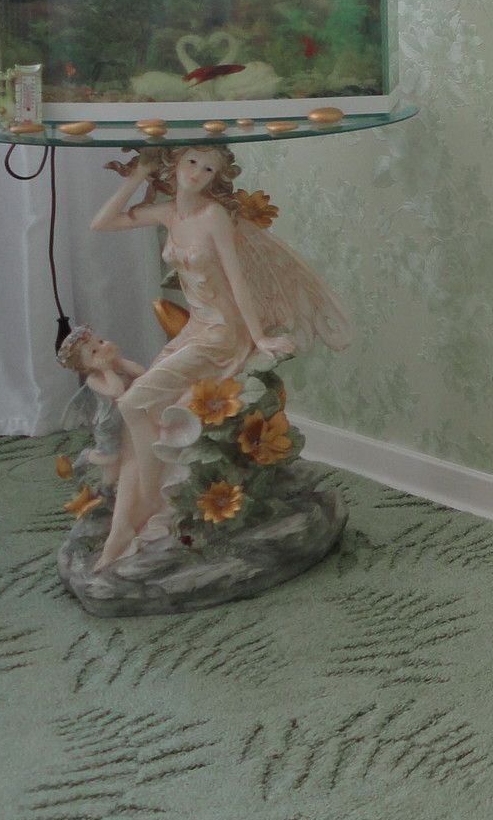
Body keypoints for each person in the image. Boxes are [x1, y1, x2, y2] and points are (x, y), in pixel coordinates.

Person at [87, 144, 349, 571]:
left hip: (222, 334)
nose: (197, 173)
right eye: (191, 162)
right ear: (176, 164)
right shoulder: (169, 212)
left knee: (133, 403)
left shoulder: (214, 217)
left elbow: (237, 279)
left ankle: (148, 505)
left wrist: (258, 337)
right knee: (139, 417)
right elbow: (102, 222)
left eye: (208, 169)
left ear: (216, 178)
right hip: (196, 328)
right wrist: (137, 175)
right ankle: (122, 527)